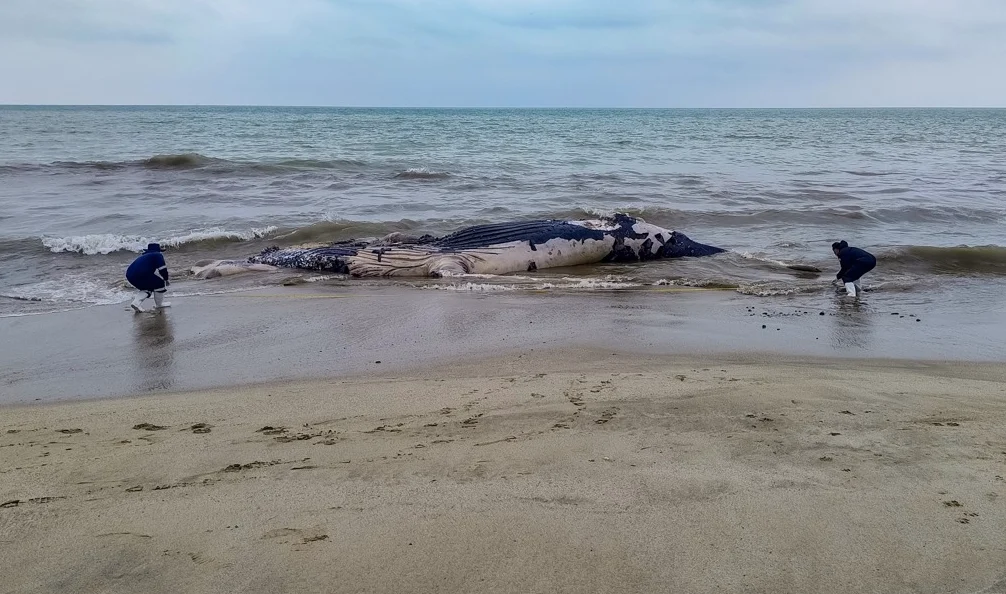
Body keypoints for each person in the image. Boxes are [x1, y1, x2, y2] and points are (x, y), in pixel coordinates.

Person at [126, 243, 171, 312]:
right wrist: (166, 279)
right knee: (160, 283)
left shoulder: (144, 256)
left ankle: (135, 303)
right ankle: (159, 305)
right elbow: (162, 269)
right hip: (141, 274)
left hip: (129, 275)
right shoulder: (157, 255)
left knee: (147, 287)